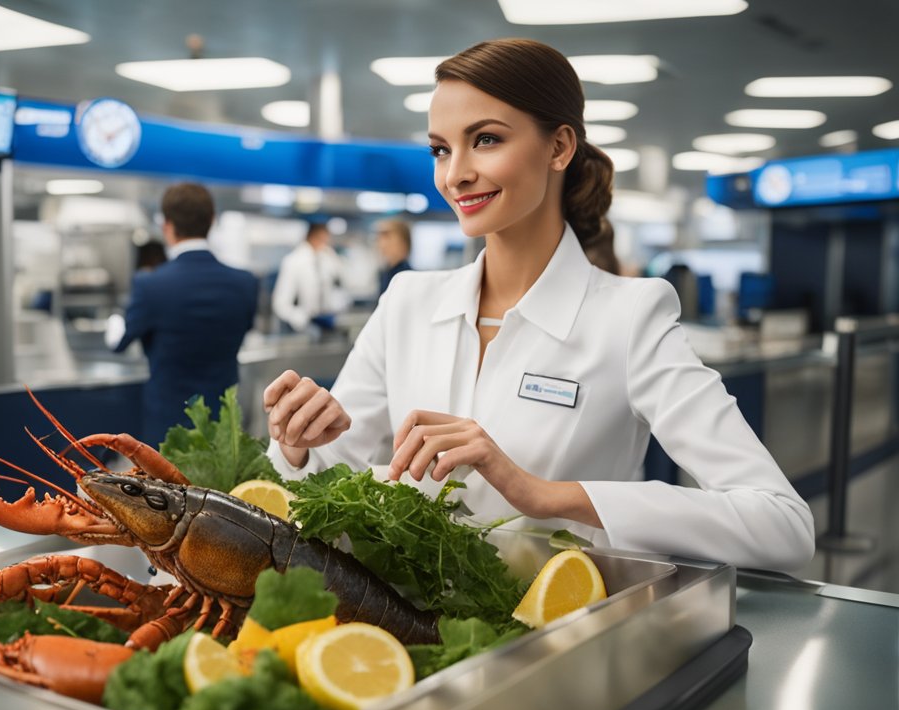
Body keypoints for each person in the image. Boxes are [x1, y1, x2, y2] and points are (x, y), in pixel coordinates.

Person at [262, 38, 814, 573]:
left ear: (559, 147)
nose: (454, 174)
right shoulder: (408, 301)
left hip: (558, 639)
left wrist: (543, 494)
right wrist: (299, 446)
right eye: (440, 148)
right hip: (410, 640)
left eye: (486, 140)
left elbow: (783, 524)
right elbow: (326, 478)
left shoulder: (630, 317)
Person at [107, 182, 258, 446]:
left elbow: (119, 343)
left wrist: (115, 320)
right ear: (212, 221)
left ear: (166, 226)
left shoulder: (150, 285)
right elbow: (244, 330)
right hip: (224, 429)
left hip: (168, 430)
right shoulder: (245, 283)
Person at [272, 222, 350, 332]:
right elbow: (280, 304)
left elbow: (340, 281)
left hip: (327, 320)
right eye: (323, 239)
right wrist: (299, 317)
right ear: (312, 237)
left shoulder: (326, 259)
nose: (327, 243)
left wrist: (333, 257)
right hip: (301, 326)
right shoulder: (293, 261)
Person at [375, 219, 413, 296]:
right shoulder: (385, 273)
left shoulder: (407, 276)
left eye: (388, 238)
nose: (382, 244)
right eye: (380, 238)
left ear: (403, 243)